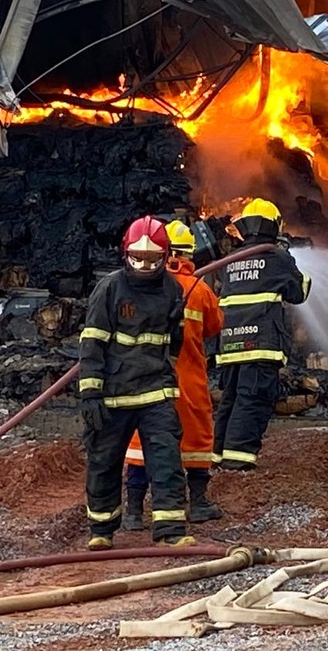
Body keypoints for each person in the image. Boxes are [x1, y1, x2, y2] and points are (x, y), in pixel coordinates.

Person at [78, 215, 195, 550]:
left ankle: (170, 530)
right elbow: (93, 343)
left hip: (156, 392)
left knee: (166, 460)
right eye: (138, 259)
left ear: (166, 255)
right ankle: (101, 530)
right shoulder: (110, 289)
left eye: (153, 260)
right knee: (103, 461)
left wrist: (174, 336)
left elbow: (175, 344)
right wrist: (90, 394)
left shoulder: (173, 289)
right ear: (125, 253)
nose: (145, 266)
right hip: (114, 395)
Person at [123, 220, 225, 530]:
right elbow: (214, 327)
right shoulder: (200, 289)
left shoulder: (139, 285)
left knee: (142, 443)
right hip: (188, 379)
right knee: (195, 439)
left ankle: (133, 513)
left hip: (146, 378)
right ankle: (198, 504)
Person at [214, 198, 310, 470]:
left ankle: (218, 455)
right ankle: (238, 460)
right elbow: (298, 293)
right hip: (260, 343)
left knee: (231, 399)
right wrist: (289, 258)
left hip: (230, 343)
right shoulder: (277, 257)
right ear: (275, 225)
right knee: (253, 399)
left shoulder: (230, 261)